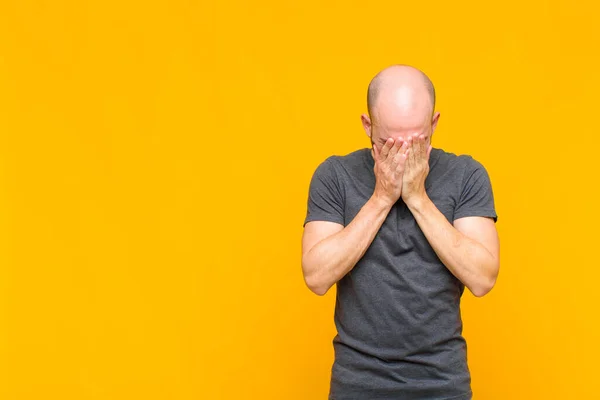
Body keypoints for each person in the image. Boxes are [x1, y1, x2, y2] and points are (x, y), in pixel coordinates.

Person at [301, 64, 500, 400]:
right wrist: (381, 198)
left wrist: (418, 198)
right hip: (357, 385)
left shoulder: (466, 175)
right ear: (368, 125)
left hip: (442, 383)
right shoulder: (334, 175)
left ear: (434, 124)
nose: (403, 156)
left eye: (416, 142)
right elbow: (316, 276)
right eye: (388, 143)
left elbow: (483, 278)